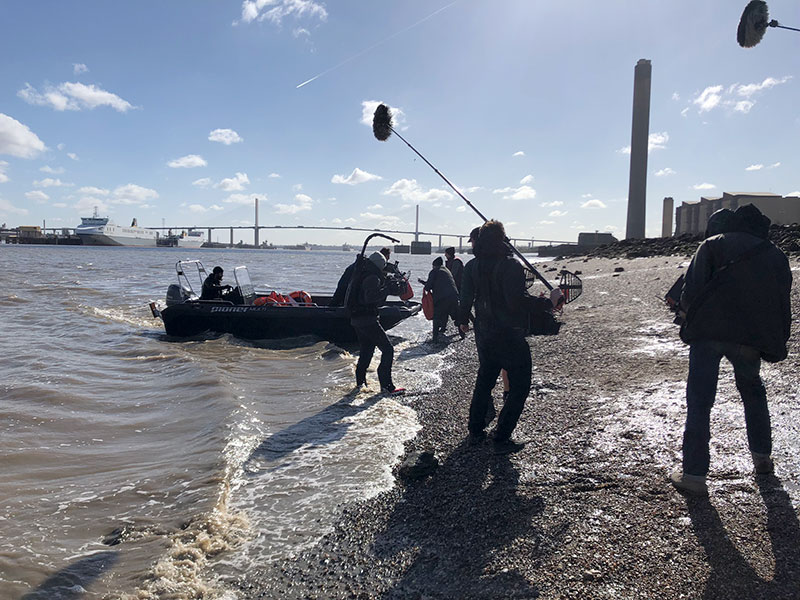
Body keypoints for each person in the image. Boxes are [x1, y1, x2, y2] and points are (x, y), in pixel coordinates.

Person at [670, 204, 792, 495]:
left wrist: (684, 314)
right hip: (750, 338)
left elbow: (691, 292)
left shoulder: (712, 245)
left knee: (700, 400)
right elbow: (781, 304)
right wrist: (778, 341)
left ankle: (694, 476)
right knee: (753, 392)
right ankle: (762, 459)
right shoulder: (775, 254)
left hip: (708, 335)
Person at [458, 220, 531, 454]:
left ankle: (475, 432)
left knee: (484, 381)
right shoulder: (511, 265)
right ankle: (501, 437)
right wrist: (547, 302)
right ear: (502, 239)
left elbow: (465, 299)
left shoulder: (471, 266)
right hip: (509, 335)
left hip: (484, 333)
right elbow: (516, 303)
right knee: (520, 386)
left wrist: (462, 321)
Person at [350, 252, 404, 395]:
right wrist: (386, 289)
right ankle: (387, 386)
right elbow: (370, 298)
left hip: (357, 320)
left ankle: (360, 385)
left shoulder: (362, 273)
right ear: (380, 265)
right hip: (367, 320)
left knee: (366, 351)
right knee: (388, 349)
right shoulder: (372, 277)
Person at [422, 256, 461, 343]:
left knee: (437, 317)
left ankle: (435, 338)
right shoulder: (447, 270)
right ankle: (461, 334)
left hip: (442, 298)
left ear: (434, 265)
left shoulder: (434, 271)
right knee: (455, 315)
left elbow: (428, 287)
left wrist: (425, 285)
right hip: (454, 296)